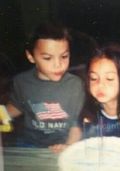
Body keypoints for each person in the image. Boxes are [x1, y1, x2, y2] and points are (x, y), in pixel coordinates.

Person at [5, 21, 85, 153]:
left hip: (62, 143)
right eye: (48, 58)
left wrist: (69, 146)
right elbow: (17, 106)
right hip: (28, 143)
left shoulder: (76, 85)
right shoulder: (21, 81)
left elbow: (77, 125)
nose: (58, 65)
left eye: (64, 56)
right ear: (31, 56)